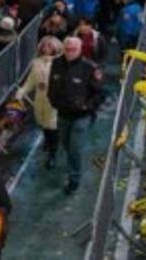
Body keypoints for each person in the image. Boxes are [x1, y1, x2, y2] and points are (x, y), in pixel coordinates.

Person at [48, 36, 104, 195]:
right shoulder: (56, 63)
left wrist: (87, 106)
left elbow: (100, 93)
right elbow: (52, 85)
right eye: (67, 49)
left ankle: (74, 179)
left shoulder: (90, 68)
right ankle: (73, 167)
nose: (69, 52)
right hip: (63, 113)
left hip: (82, 116)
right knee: (65, 144)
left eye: (73, 49)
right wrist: (53, 100)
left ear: (80, 50)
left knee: (74, 148)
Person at [18, 36, 62, 169]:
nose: (46, 48)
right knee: (42, 122)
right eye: (44, 45)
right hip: (39, 98)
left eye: (49, 46)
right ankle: (48, 141)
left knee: (52, 125)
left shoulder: (60, 63)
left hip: (53, 99)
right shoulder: (36, 62)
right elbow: (31, 81)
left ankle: (52, 155)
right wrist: (21, 92)